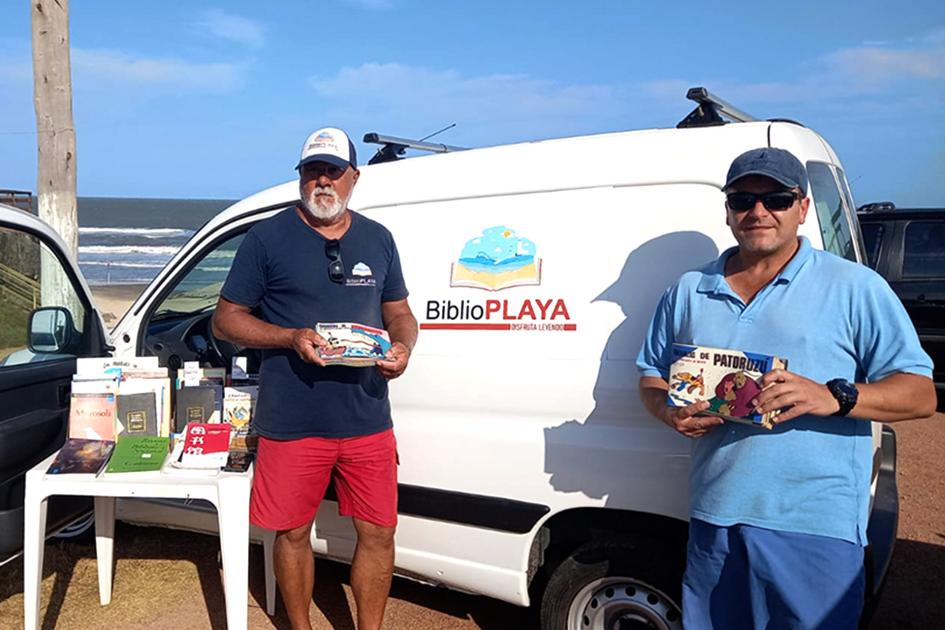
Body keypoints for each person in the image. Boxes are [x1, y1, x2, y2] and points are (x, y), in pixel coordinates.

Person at [636, 147, 936, 629]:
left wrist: (833, 396)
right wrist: (666, 411)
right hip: (715, 518)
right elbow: (651, 373)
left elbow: (921, 395)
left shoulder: (855, 287)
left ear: (801, 208)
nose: (758, 212)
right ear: (728, 210)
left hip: (815, 526)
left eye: (776, 198)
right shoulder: (689, 289)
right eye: (742, 200)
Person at [213, 127, 418, 630]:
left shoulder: (378, 237)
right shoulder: (267, 238)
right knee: (292, 533)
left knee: (379, 534)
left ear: (355, 177)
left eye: (333, 171)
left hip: (368, 416)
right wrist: (289, 337)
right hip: (294, 418)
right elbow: (226, 319)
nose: (322, 181)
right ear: (300, 176)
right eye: (312, 171)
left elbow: (401, 312)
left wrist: (403, 347)